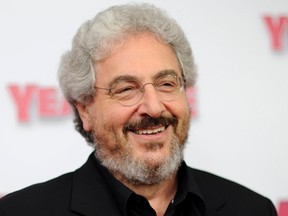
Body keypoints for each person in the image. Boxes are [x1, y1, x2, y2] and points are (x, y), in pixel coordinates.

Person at [0, 3, 277, 216]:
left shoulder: (252, 208)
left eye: (167, 83)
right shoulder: (21, 211)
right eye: (126, 89)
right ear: (85, 110)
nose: (154, 107)